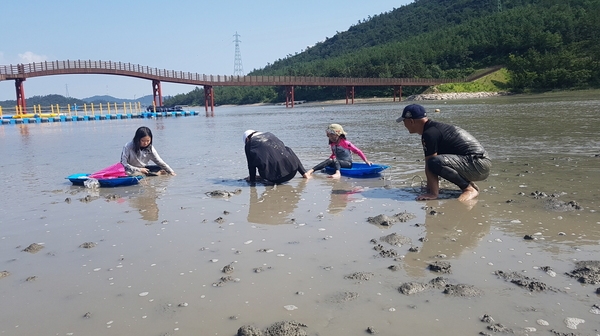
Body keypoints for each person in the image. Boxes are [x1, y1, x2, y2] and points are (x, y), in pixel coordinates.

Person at [397, 104, 491, 202]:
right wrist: (429, 187)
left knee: (434, 162)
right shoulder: (433, 129)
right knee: (435, 162)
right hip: (479, 163)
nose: (404, 124)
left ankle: (469, 189)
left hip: (478, 163)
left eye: (404, 121)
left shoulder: (429, 134)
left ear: (411, 121)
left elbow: (430, 163)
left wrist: (432, 194)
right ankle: (467, 186)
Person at [306, 124, 371, 179]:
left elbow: (358, 151)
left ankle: (338, 173)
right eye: (329, 135)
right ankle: (311, 171)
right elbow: (333, 154)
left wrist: (366, 160)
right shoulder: (332, 144)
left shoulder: (346, 143)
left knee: (335, 160)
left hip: (347, 163)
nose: (330, 137)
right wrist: (329, 162)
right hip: (337, 163)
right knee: (330, 160)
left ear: (338, 135)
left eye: (332, 135)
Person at [244, 130, 309, 184]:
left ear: (247, 139)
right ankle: (304, 173)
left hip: (273, 179)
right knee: (287, 149)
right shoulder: (270, 135)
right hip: (292, 172)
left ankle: (268, 174)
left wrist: (252, 180)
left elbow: (251, 166)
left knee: (257, 159)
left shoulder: (249, 145)